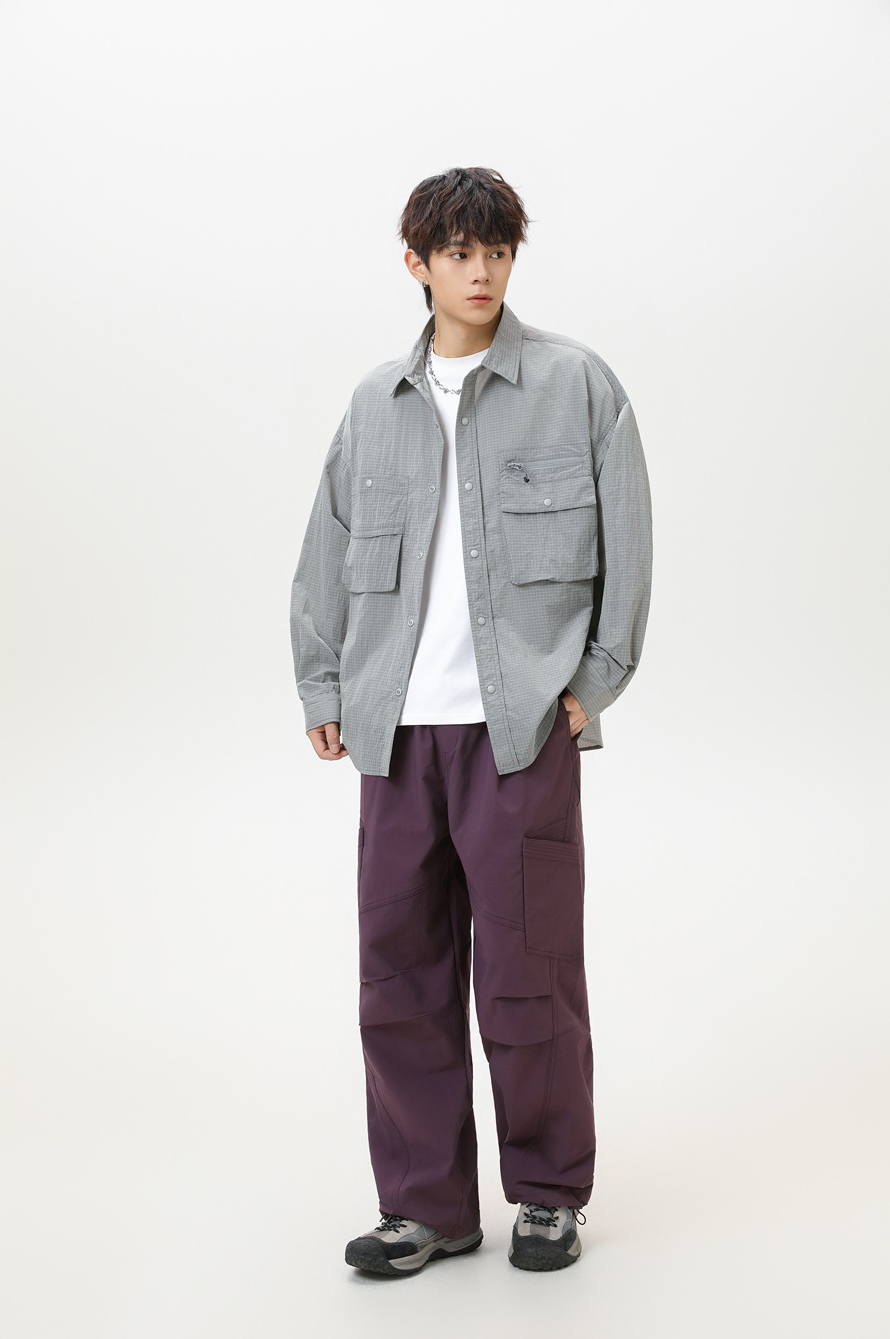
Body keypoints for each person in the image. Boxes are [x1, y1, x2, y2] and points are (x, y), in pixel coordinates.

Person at [289, 166, 653, 1275]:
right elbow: (325, 552)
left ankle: (546, 1192)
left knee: (528, 970)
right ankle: (425, 1206)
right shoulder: (373, 403)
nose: (481, 271)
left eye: (496, 250)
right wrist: (323, 685)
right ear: (418, 263)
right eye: (458, 252)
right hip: (395, 736)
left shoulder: (574, 383)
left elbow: (628, 542)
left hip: (519, 732)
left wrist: (593, 679)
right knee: (397, 974)